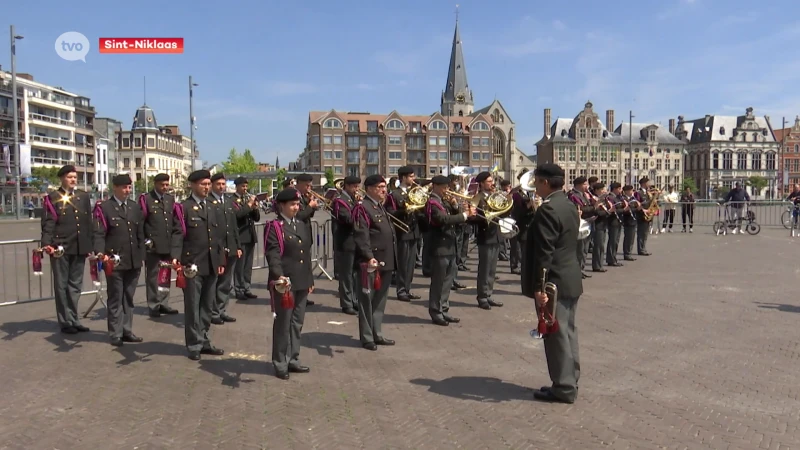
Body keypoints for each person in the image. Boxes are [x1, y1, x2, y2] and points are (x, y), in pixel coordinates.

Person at [522, 163, 583, 404]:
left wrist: (539, 287)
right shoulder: (569, 204)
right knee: (568, 332)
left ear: (546, 182)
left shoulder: (548, 210)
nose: (535, 186)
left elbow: (544, 253)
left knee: (555, 334)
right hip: (570, 276)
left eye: (537, 181)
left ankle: (564, 387)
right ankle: (569, 379)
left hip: (554, 280)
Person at [171, 169, 226, 361]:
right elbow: (177, 234)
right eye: (203, 184)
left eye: (208, 184)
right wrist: (176, 258)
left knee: (207, 305)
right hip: (192, 264)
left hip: (211, 263)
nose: (207, 187)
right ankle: (194, 343)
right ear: (193, 185)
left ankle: (204, 340)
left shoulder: (212, 206)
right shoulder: (184, 207)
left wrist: (220, 260)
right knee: (193, 305)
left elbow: (218, 237)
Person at [264, 188, 314, 380]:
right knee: (283, 322)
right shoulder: (275, 227)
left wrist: (309, 279)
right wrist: (279, 276)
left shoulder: (301, 224)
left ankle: (293, 358)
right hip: (285, 282)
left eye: (297, 204)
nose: (296, 207)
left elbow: (306, 254)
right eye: (292, 204)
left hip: (301, 280)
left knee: (297, 322)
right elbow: (273, 254)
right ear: (281, 206)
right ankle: (280, 361)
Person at [93, 174, 145, 346]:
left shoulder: (134, 207)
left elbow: (140, 234)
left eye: (129, 187)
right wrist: (101, 253)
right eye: (124, 187)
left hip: (133, 260)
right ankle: (115, 333)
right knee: (115, 297)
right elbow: (99, 233)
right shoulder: (105, 208)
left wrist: (141, 255)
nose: (127, 191)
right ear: (114, 187)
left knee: (128, 297)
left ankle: (127, 330)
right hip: (114, 260)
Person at [40, 165, 93, 334]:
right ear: (62, 178)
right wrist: (46, 244)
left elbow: (87, 222)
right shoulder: (53, 197)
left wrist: (89, 244)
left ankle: (74, 318)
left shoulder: (82, 197)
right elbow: (48, 223)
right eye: (70, 177)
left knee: (75, 285)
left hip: (78, 246)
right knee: (62, 285)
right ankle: (65, 321)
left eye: (75, 177)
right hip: (60, 247)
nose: (73, 180)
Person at [352, 175, 397, 351]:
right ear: (369, 188)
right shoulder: (362, 208)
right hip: (370, 262)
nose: (384, 190)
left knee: (380, 300)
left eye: (384, 186)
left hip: (385, 261)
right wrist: (368, 256)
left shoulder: (379, 206)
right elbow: (361, 235)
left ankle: (377, 333)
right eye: (379, 187)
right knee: (366, 301)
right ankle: (367, 337)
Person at [425, 176, 475, 326]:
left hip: (450, 246)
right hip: (440, 247)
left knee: (447, 281)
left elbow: (452, 216)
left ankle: (444, 309)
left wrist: (454, 206)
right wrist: (465, 215)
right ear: (435, 186)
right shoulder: (432, 202)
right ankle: (435, 311)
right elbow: (443, 220)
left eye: (447, 186)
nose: (446, 190)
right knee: (438, 283)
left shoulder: (443, 201)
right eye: (443, 187)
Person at [139, 172, 179, 318]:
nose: (165, 187)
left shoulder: (170, 199)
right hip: (153, 245)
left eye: (167, 184)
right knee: (153, 276)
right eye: (162, 185)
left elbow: (174, 220)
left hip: (167, 244)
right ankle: (153, 305)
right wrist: (145, 241)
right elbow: (142, 221)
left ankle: (164, 303)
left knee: (165, 276)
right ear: (155, 184)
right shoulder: (146, 199)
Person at [467, 171, 504, 310]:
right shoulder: (478, 198)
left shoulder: (495, 196)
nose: (492, 183)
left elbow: (504, 212)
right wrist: (480, 216)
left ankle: (488, 294)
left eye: (491, 181)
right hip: (485, 236)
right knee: (485, 268)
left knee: (492, 269)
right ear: (482, 184)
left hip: (495, 235)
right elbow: (473, 219)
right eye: (489, 181)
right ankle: (482, 297)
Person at [384, 166, 421, 301]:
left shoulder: (415, 192)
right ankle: (401, 290)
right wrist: (405, 211)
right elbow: (390, 213)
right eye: (411, 176)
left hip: (414, 231)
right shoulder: (394, 195)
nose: (413, 179)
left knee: (411, 264)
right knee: (403, 263)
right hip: (402, 233)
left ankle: (407, 289)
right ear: (404, 178)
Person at [209, 173, 241, 324]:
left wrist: (238, 246)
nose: (221, 187)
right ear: (212, 185)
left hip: (231, 247)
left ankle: (222, 310)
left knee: (226, 282)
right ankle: (213, 312)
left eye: (223, 184)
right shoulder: (208, 202)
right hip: (216, 249)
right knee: (215, 281)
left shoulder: (228, 202)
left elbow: (233, 226)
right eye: (218, 184)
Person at [332, 176, 361, 315]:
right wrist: (357, 206)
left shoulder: (351, 200)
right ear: (347, 186)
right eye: (354, 186)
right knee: (346, 275)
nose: (357, 189)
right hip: (345, 242)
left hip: (355, 242)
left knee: (355, 274)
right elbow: (348, 220)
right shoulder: (339, 201)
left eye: (357, 186)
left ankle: (354, 300)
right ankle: (346, 303)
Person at [232, 177, 260, 300]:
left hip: (250, 235)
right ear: (237, 186)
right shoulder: (233, 200)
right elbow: (238, 215)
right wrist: (249, 205)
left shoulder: (247, 199)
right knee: (240, 266)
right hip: (241, 237)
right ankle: (239, 289)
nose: (245, 189)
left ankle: (247, 287)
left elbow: (257, 218)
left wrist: (255, 208)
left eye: (246, 186)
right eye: (243, 186)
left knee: (248, 266)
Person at [294, 174, 318, 305]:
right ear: (298, 184)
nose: (309, 188)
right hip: (298, 234)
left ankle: (303, 295)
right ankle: (299, 295)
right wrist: (310, 206)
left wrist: (311, 206)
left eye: (310, 185)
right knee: (301, 265)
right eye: (306, 185)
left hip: (306, 234)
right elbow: (299, 216)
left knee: (306, 266)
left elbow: (309, 215)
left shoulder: (303, 196)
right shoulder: (294, 197)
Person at [567, 176, 594, 279]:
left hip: (587, 222)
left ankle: (581, 269)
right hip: (579, 224)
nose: (587, 186)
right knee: (579, 250)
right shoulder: (573, 195)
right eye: (585, 184)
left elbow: (586, 206)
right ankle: (577, 270)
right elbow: (581, 208)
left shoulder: (583, 195)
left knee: (585, 249)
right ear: (579, 185)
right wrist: (594, 207)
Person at [590, 182, 610, 273]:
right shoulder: (594, 199)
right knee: (598, 245)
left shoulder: (603, 199)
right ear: (597, 190)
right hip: (597, 224)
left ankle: (600, 264)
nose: (603, 191)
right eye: (602, 189)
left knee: (601, 245)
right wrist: (608, 212)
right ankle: (597, 265)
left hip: (603, 223)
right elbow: (597, 212)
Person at [605, 182, 625, 268]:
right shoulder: (610, 197)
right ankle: (611, 259)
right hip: (613, 221)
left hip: (618, 221)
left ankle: (613, 258)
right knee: (613, 241)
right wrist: (624, 209)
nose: (620, 191)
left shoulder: (618, 197)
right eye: (619, 189)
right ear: (615, 189)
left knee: (615, 241)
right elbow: (614, 210)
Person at [633, 177, 653, 256]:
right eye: (648, 183)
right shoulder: (638, 193)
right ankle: (641, 249)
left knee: (645, 233)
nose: (649, 184)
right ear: (644, 184)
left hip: (647, 214)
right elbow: (637, 204)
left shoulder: (647, 192)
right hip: (641, 215)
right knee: (641, 233)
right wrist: (644, 210)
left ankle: (643, 247)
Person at [620, 185, 638, 260]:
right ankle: (627, 253)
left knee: (631, 238)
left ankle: (629, 252)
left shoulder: (632, 198)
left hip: (633, 220)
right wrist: (636, 208)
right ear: (627, 191)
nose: (632, 192)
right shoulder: (623, 199)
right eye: (631, 190)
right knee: (628, 238)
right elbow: (627, 210)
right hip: (627, 220)